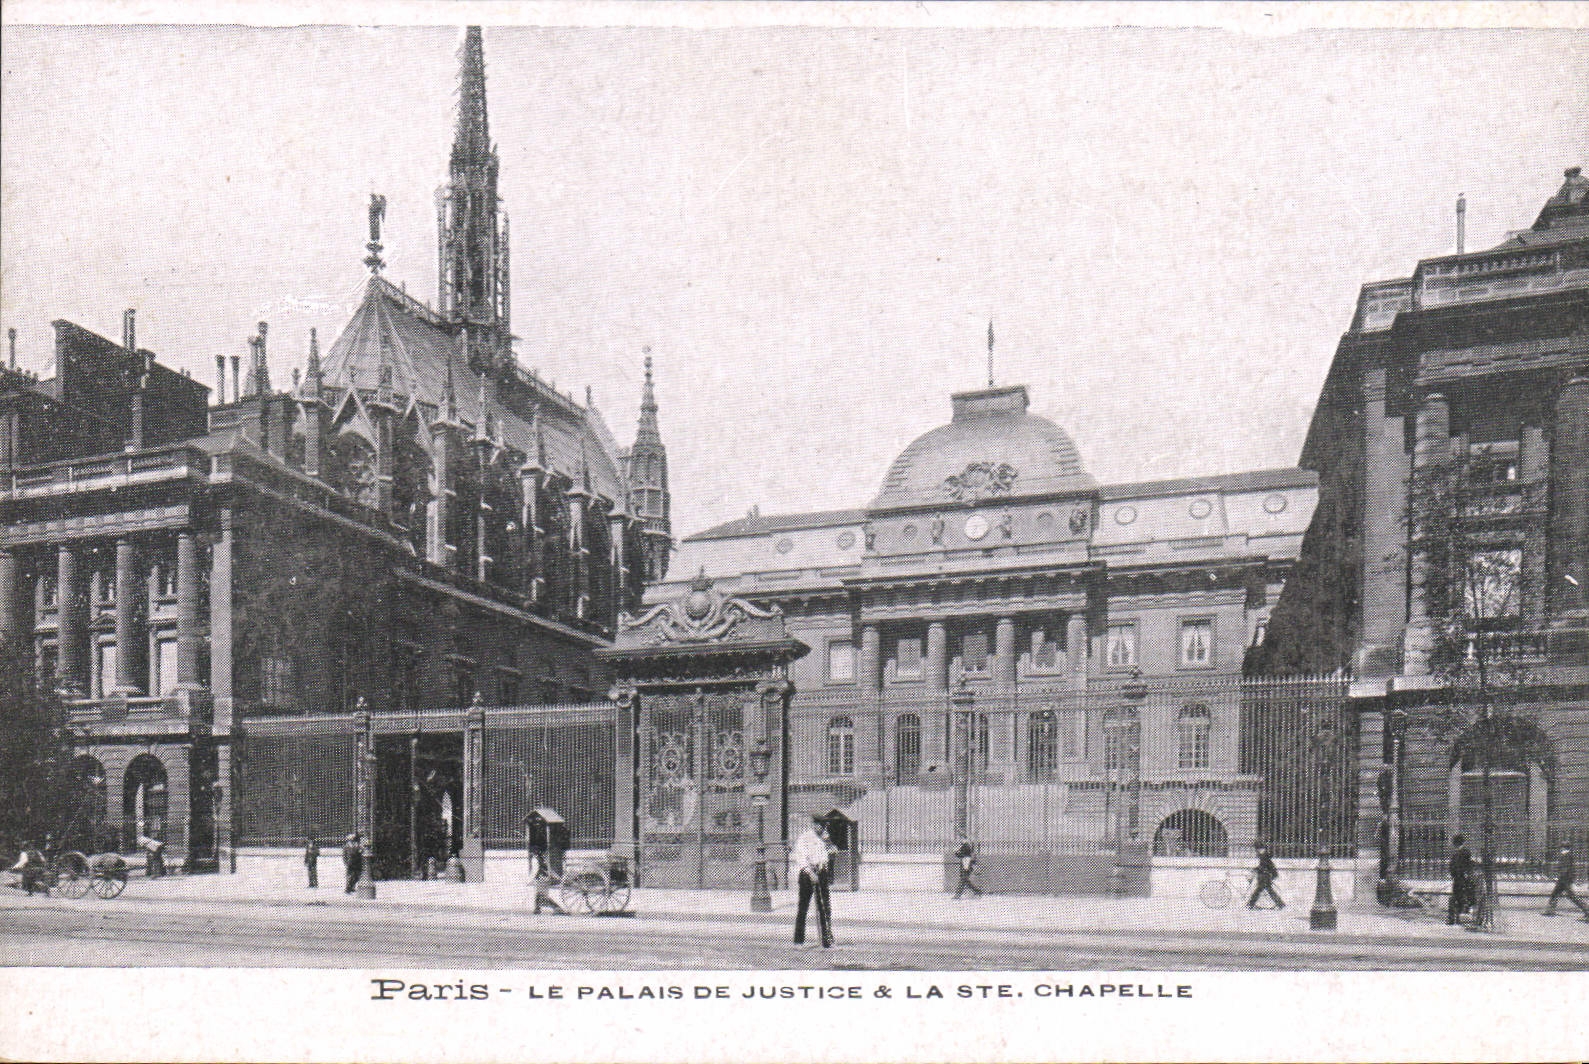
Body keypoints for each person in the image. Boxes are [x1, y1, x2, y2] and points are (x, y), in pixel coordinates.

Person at [792, 815, 833, 949]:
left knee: (824, 906)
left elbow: (828, 854)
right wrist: (810, 873)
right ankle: (799, 940)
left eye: (823, 826)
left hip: (821, 873)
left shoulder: (823, 838)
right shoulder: (805, 838)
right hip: (807, 874)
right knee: (803, 907)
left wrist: (828, 843)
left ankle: (826, 940)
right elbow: (801, 858)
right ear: (814, 825)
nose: (821, 828)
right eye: (819, 825)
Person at [1542, 843, 1589, 921]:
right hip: (1563, 879)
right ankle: (1550, 910)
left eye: (1562, 848)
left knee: (1571, 896)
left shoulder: (1567, 856)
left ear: (1564, 848)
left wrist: (1560, 876)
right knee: (1555, 893)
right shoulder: (1566, 856)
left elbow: (1566, 868)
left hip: (1565, 879)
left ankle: (1587, 911)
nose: (1561, 849)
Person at [1448, 834, 1476, 925]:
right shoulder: (1462, 852)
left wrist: (1457, 874)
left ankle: (1456, 918)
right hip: (1459, 879)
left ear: (1455, 843)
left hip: (1461, 880)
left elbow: (1460, 866)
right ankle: (1456, 918)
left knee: (1458, 898)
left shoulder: (1462, 853)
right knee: (1457, 898)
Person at [529, 845, 565, 915]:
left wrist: (532, 878)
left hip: (541, 878)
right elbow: (549, 869)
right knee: (539, 894)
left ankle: (557, 908)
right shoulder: (543, 859)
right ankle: (537, 908)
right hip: (543, 878)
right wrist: (556, 877)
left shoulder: (537, 859)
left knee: (541, 896)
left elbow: (537, 870)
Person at [1247, 843, 1284, 910]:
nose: (1258, 851)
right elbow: (1263, 866)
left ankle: (1250, 904)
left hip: (1265, 877)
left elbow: (1264, 867)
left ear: (1262, 849)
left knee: (1259, 891)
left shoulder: (1264, 856)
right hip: (1266, 876)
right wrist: (1256, 869)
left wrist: (1256, 869)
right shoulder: (1264, 856)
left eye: (1259, 849)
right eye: (1258, 849)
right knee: (1267, 891)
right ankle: (1280, 904)